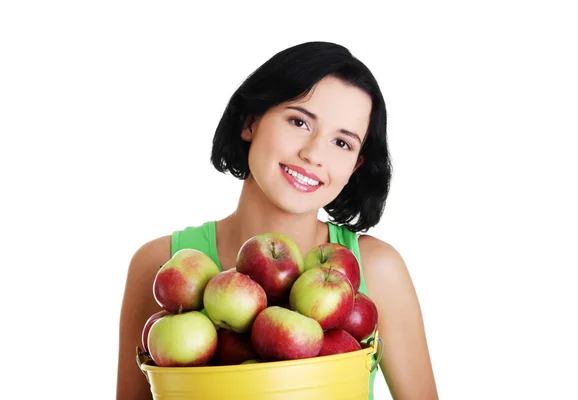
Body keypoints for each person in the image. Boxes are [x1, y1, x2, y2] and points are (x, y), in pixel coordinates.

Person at [116, 41, 438, 400]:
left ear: (355, 167)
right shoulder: (161, 264)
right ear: (250, 121)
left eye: (342, 143)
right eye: (299, 121)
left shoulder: (377, 270)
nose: (313, 153)